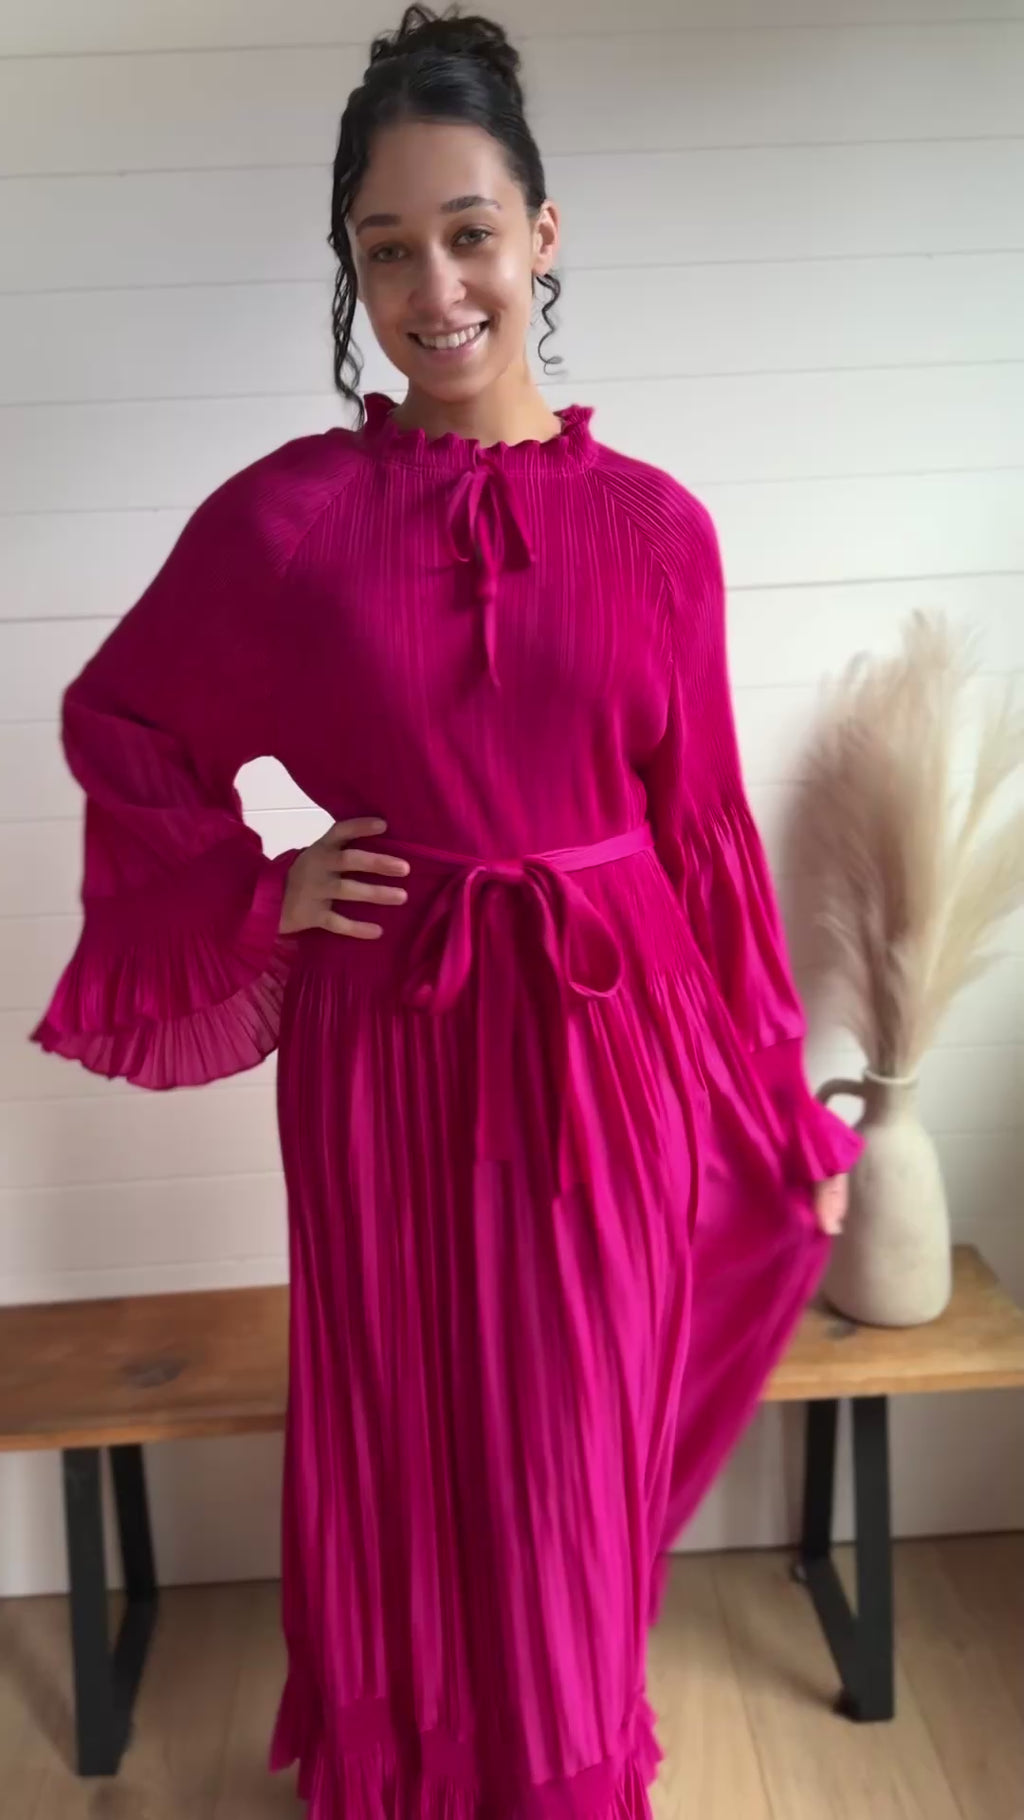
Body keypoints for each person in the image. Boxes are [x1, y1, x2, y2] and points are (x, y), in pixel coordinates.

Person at [33, 7, 861, 1816]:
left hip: (612, 1056)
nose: (435, 287)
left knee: (573, 1461)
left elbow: (704, 834)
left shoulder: (659, 531)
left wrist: (777, 1099)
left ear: (541, 236)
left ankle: (560, 1784)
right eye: (386, 248)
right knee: (408, 1440)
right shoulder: (291, 524)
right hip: (386, 1052)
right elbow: (124, 722)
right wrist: (266, 889)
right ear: (352, 267)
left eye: (469, 233)